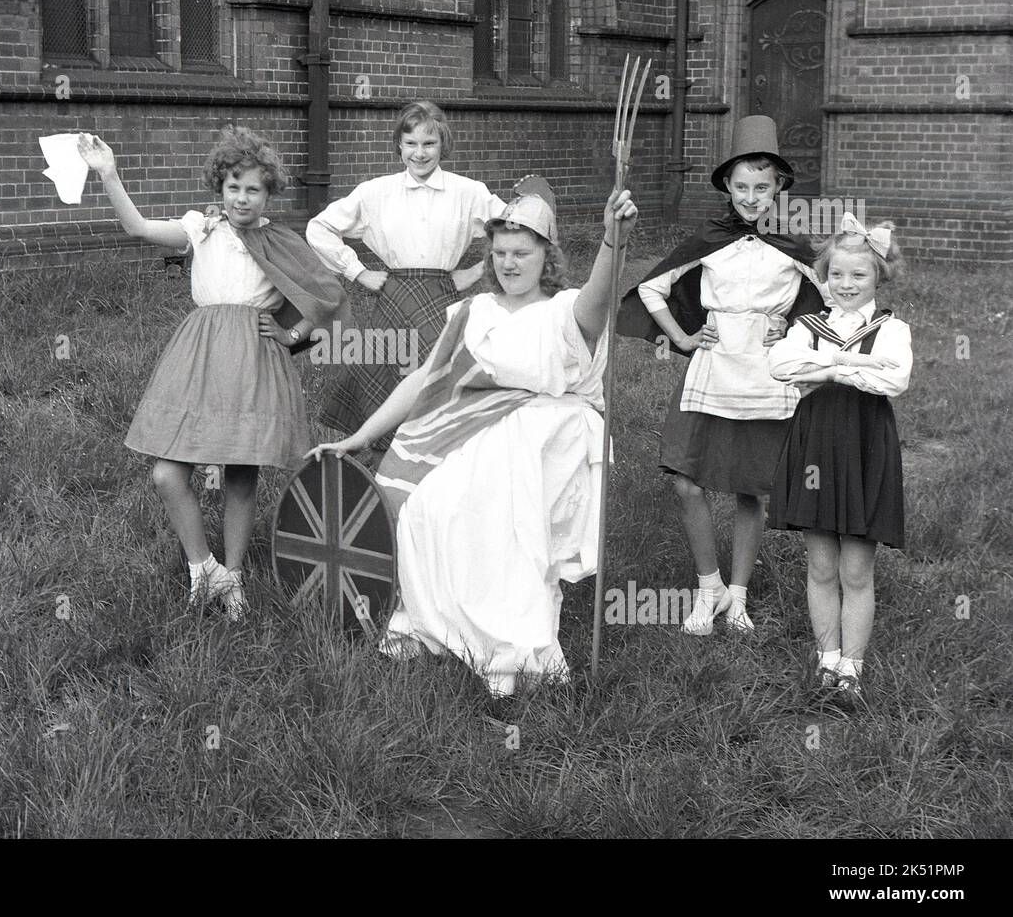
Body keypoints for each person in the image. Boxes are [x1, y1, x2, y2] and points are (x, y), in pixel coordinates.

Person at [309, 180, 639, 697]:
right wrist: (360, 436)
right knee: (426, 508)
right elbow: (423, 377)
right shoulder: (473, 312)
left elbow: (599, 300)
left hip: (547, 439)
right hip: (475, 432)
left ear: (546, 256)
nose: (509, 263)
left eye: (522, 253)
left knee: (495, 518)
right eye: (501, 253)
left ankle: (507, 648)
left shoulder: (565, 310)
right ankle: (438, 627)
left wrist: (612, 243)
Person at [78, 125, 347, 619]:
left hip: (253, 358)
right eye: (233, 186)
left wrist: (291, 336)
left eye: (253, 189)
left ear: (269, 193)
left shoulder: (278, 240)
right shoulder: (200, 229)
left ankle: (235, 577)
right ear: (219, 188)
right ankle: (204, 569)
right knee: (166, 473)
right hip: (200, 355)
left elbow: (324, 294)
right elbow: (137, 228)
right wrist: (109, 174)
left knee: (241, 473)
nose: (242, 197)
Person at [616, 115, 829, 634]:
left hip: (766, 377)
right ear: (727, 188)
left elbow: (833, 307)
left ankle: (737, 596)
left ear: (779, 186)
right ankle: (706, 585)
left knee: (751, 490)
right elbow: (650, 290)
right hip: (713, 371)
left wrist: (798, 336)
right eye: (741, 187)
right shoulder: (709, 239)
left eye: (762, 186)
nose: (752, 198)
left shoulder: (795, 246)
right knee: (687, 480)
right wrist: (684, 338)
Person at [306, 100, 508, 456]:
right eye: (411, 143)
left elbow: (512, 226)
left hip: (442, 298)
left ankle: (441, 459)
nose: (420, 153)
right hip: (395, 297)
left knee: (439, 379)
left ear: (443, 144)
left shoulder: (469, 191)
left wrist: (479, 270)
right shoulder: (375, 192)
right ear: (398, 145)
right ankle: (385, 464)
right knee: (388, 376)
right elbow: (319, 227)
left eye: (429, 143)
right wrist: (358, 272)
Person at [767, 215, 910, 709]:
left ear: (878, 278)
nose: (846, 285)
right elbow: (781, 366)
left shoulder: (892, 329)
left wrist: (828, 371)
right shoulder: (807, 326)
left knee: (857, 567)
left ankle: (853, 668)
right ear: (824, 277)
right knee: (821, 561)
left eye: (859, 276)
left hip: (865, 443)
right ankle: (826, 659)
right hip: (815, 443)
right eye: (837, 275)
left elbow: (893, 379)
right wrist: (848, 365)